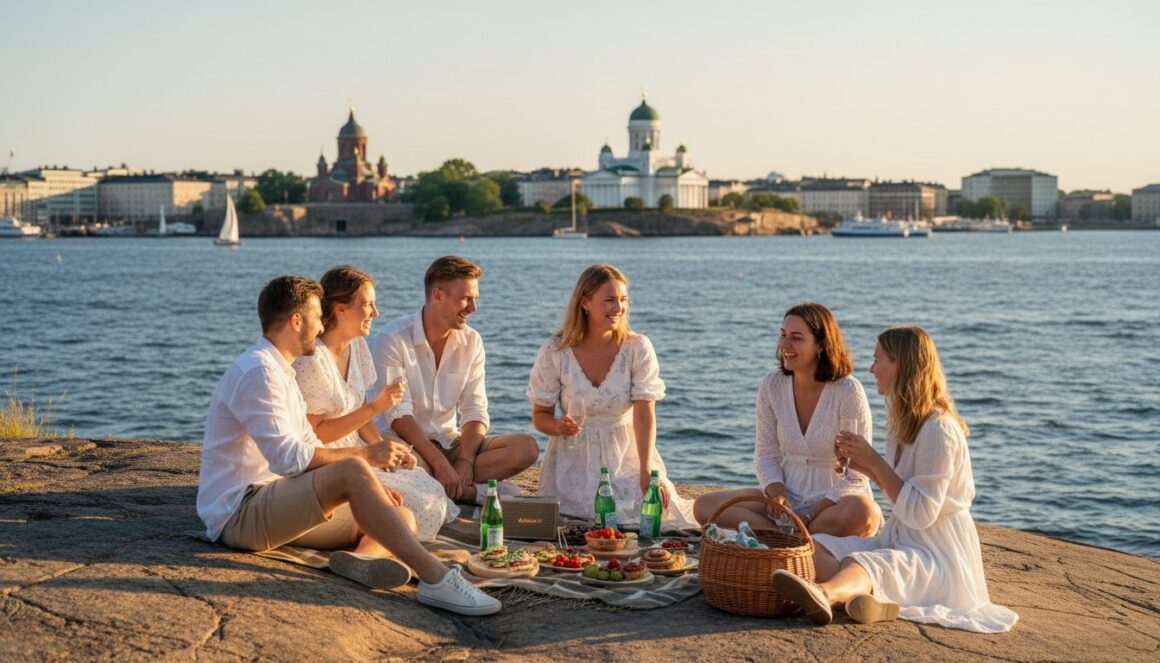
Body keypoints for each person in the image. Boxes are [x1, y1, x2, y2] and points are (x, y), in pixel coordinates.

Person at [196, 275, 500, 616]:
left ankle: (359, 562)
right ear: (297, 321)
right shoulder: (259, 372)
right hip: (241, 511)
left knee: (400, 515)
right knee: (355, 470)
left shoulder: (280, 370)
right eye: (316, 316)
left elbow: (306, 441)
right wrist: (365, 455)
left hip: (276, 501)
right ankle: (437, 579)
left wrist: (372, 486)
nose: (321, 324)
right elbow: (288, 459)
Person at [772, 326, 1019, 633]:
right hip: (902, 538)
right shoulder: (904, 424)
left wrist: (875, 462)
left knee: (863, 564)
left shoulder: (938, 430)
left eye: (878, 360)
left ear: (901, 365)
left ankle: (825, 594)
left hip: (938, 552)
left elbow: (920, 513)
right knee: (815, 547)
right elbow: (902, 494)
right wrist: (866, 467)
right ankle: (869, 598)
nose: (872, 368)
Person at [293, 266, 459, 542]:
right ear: (340, 309)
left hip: (359, 450)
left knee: (429, 489)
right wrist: (376, 408)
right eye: (368, 305)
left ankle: (379, 534)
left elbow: (361, 416)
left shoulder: (356, 347)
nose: (375, 312)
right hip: (327, 462)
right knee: (413, 505)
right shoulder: (312, 361)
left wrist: (382, 447)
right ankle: (375, 537)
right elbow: (317, 433)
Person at [527, 263, 697, 529]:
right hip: (573, 460)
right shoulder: (555, 351)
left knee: (658, 516)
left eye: (623, 300)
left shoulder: (637, 347)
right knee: (576, 524)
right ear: (585, 302)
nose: (618, 308)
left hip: (626, 455)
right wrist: (557, 426)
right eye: (609, 300)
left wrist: (646, 470)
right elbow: (540, 416)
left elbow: (644, 414)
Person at [693, 303, 880, 537]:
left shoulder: (847, 390)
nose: (785, 344)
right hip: (786, 498)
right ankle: (786, 537)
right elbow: (766, 455)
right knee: (704, 506)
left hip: (833, 503)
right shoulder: (772, 385)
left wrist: (811, 516)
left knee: (865, 513)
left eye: (796, 338)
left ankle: (797, 534)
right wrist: (777, 495)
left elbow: (857, 473)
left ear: (821, 344)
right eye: (783, 335)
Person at [370, 256, 538, 504]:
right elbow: (398, 417)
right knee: (400, 466)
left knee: (526, 448)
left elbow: (474, 411)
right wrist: (439, 464)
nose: (473, 308)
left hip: (451, 442)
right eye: (466, 299)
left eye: (475, 299)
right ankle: (473, 494)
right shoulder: (392, 338)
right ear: (438, 296)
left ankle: (444, 486)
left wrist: (464, 460)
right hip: (408, 445)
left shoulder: (472, 341)